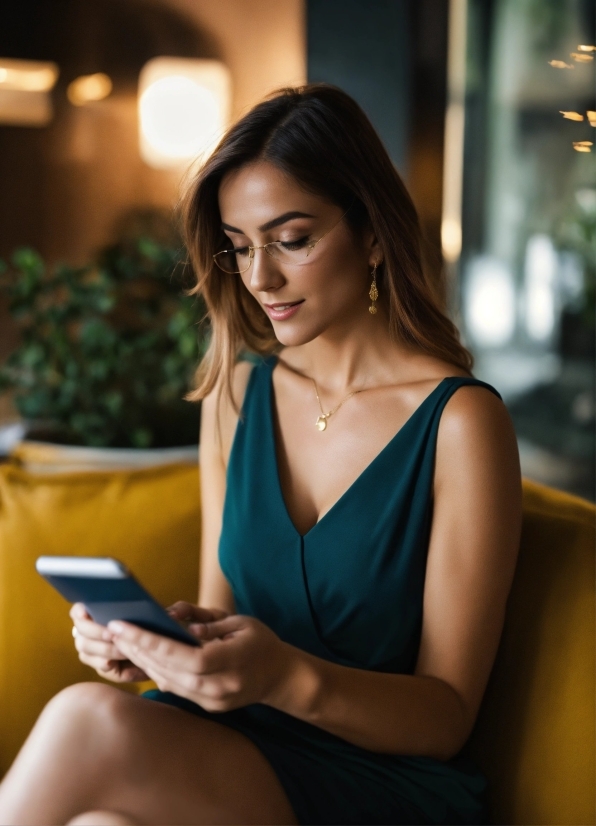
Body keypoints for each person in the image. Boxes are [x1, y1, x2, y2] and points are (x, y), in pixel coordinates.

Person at [0, 84, 522, 826]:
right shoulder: (236, 396)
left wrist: (283, 675)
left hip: (376, 783)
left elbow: (447, 715)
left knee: (91, 721)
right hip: (235, 751)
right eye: (241, 247)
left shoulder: (462, 423)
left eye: (293, 239)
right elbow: (220, 617)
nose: (260, 279)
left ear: (371, 232)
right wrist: (162, 651)